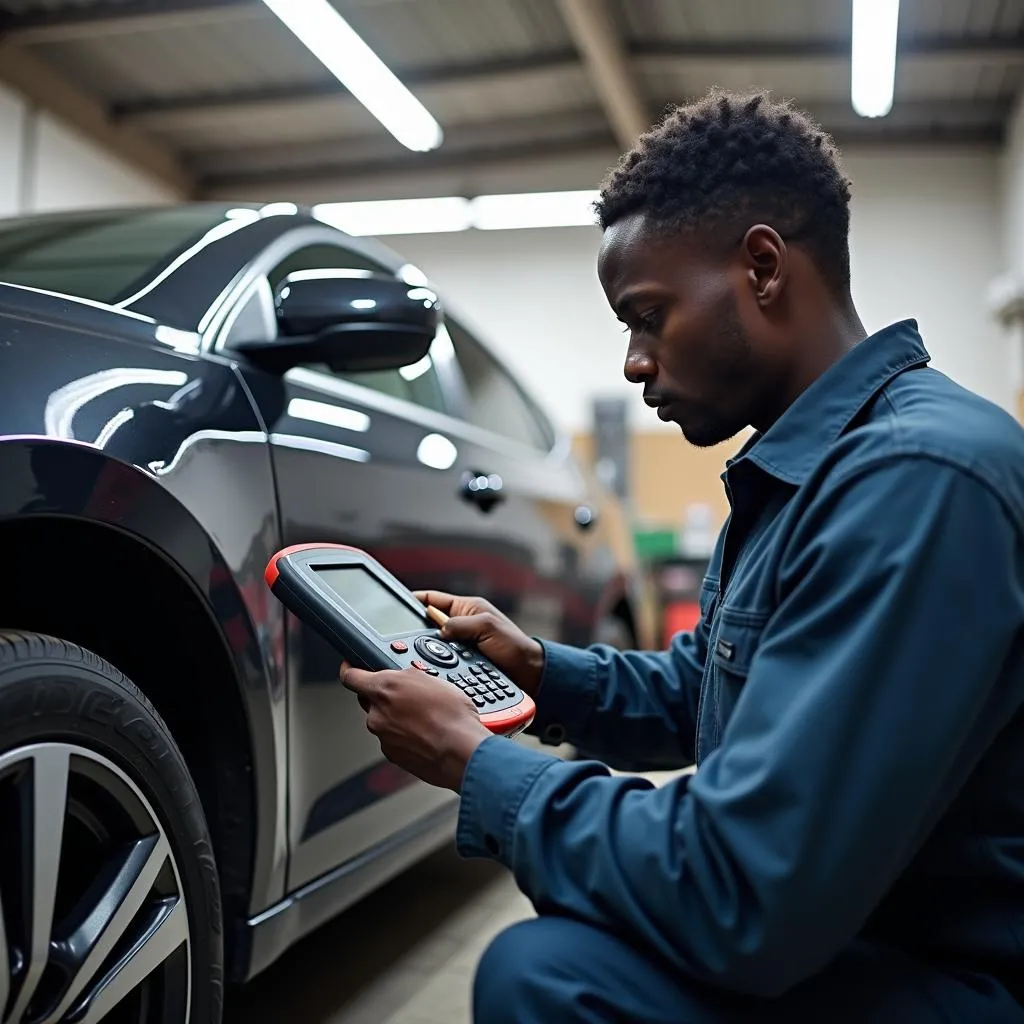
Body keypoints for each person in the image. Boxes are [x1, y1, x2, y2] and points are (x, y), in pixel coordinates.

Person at [341, 88, 1024, 1023]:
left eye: (648, 315)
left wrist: (475, 761)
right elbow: (711, 688)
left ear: (762, 268)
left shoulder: (916, 479)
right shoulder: (816, 466)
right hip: (863, 928)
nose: (632, 361)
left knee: (545, 977)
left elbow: (744, 889)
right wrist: (538, 669)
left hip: (961, 978)